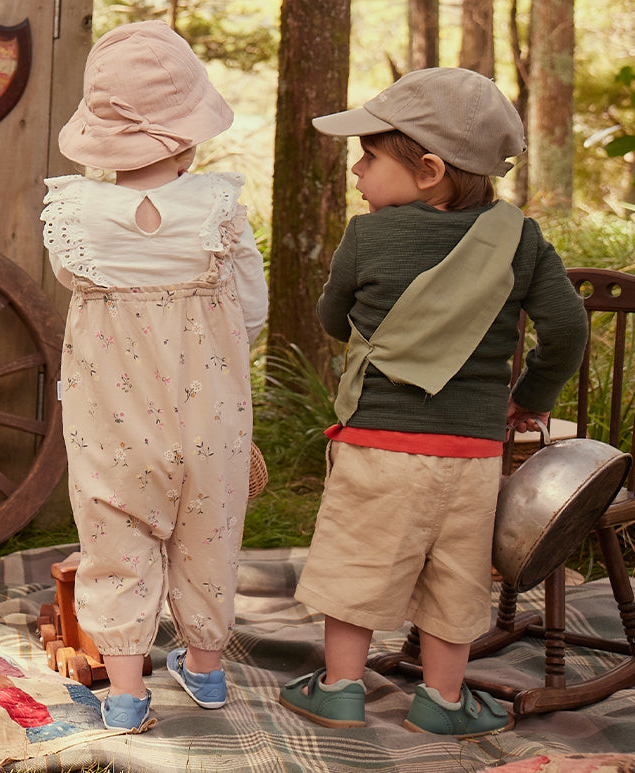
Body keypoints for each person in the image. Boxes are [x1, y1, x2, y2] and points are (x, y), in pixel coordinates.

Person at [278, 67, 587, 738]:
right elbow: (567, 331)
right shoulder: (523, 240)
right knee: (457, 579)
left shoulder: (366, 238)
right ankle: (442, 701)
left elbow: (335, 318)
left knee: (357, 562)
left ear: (426, 169)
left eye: (367, 156)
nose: (356, 172)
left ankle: (339, 689)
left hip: (376, 446)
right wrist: (529, 397)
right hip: (471, 454)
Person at [39, 20, 267, 732]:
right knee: (209, 533)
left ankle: (127, 694)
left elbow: (75, 293)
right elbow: (251, 308)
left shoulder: (73, 216)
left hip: (113, 416)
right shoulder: (220, 211)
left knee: (116, 540)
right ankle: (204, 671)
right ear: (189, 136)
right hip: (209, 414)